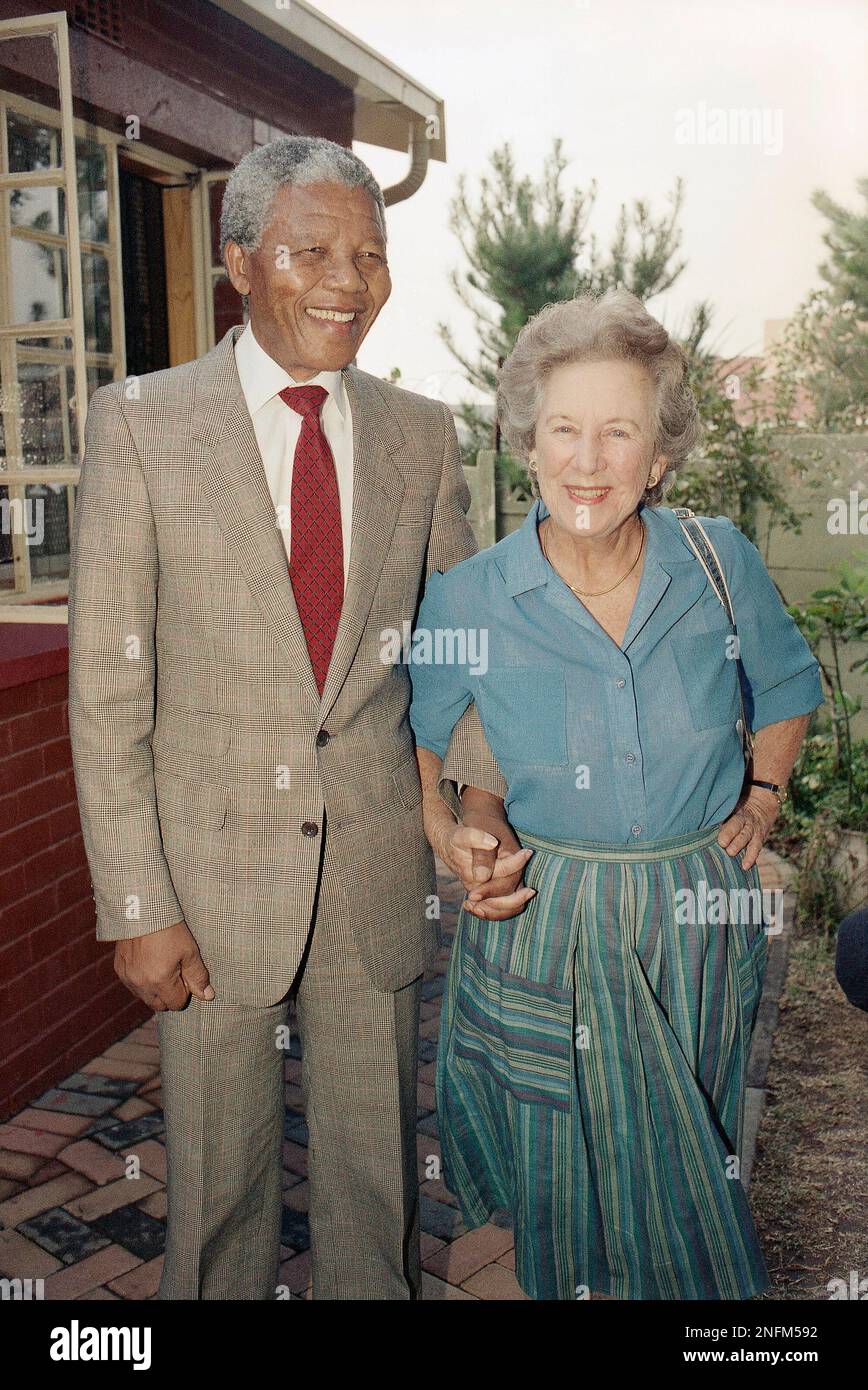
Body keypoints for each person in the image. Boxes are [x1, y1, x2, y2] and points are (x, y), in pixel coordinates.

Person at [67, 135, 507, 1300]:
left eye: (369, 253)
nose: (347, 280)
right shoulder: (142, 425)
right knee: (218, 1199)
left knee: (378, 1190)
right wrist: (136, 900)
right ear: (239, 263)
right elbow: (109, 692)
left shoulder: (421, 432)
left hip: (370, 870)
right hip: (206, 890)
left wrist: (471, 805)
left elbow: (453, 652)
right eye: (312, 250)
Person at [409, 288, 824, 1300]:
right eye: (563, 430)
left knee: (693, 1157)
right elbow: (440, 750)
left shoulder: (716, 561)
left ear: (658, 454)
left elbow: (784, 685)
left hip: (694, 913)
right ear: (525, 442)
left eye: (616, 432)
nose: (586, 460)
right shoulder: (471, 597)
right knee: (565, 1183)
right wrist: (461, 828)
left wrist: (763, 797)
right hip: (548, 921)